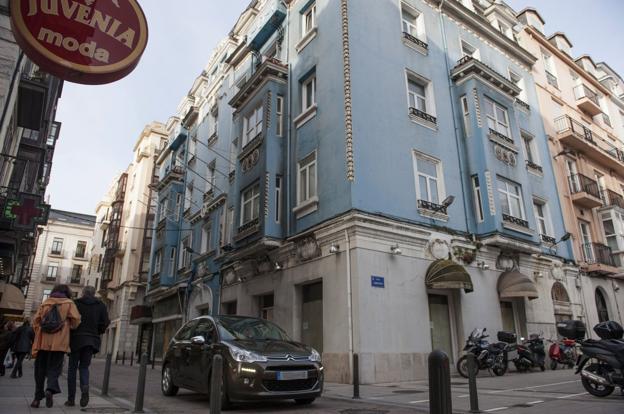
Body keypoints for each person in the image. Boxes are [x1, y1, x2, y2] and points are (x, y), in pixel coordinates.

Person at [31, 284, 81, 408]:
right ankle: (50, 390)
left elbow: (36, 321)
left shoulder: (46, 303)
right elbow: (76, 320)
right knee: (54, 368)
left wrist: (42, 330)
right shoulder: (69, 303)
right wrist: (67, 325)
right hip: (59, 342)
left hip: (43, 342)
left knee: (40, 370)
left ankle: (37, 399)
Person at [66, 286, 109, 408]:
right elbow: (105, 322)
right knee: (84, 367)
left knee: (72, 368)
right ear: (94, 293)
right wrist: (97, 332)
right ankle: (85, 387)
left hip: (76, 339)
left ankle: (71, 399)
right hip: (91, 340)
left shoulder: (75, 303)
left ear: (83, 293)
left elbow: (69, 320)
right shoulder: (101, 305)